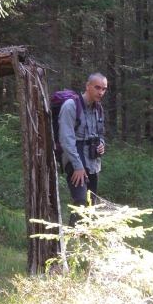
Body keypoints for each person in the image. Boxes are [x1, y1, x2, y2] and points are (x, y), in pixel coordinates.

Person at [58, 73, 108, 217]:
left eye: (104, 89)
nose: (101, 92)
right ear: (87, 86)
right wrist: (77, 166)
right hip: (75, 160)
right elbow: (66, 139)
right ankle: (73, 231)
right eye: (97, 87)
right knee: (81, 202)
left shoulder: (98, 109)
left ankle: (84, 232)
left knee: (91, 203)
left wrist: (101, 144)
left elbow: (101, 134)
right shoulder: (71, 106)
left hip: (93, 163)